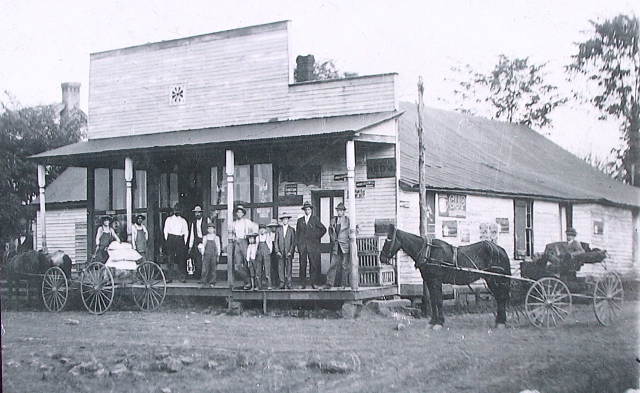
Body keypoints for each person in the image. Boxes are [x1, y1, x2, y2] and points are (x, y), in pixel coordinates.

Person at [295, 201, 326, 289]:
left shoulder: (315, 219)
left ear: (311, 210)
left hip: (312, 246)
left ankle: (313, 283)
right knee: (302, 265)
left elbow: (323, 229)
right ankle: (302, 283)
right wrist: (297, 245)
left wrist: (316, 237)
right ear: (304, 210)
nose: (307, 211)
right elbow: (297, 233)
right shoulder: (300, 221)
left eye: (308, 209)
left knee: (313, 265)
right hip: (303, 247)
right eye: (306, 209)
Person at [231, 205, 258, 290]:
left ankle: (252, 283)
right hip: (237, 243)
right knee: (237, 266)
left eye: (241, 212)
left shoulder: (247, 222)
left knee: (248, 263)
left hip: (244, 242)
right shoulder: (234, 223)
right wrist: (234, 238)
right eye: (238, 212)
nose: (239, 213)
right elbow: (230, 233)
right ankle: (247, 281)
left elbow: (256, 227)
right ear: (236, 213)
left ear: (243, 214)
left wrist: (251, 236)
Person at [324, 202, 350, 289]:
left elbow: (353, 231)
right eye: (338, 210)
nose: (339, 212)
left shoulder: (347, 220)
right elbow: (330, 230)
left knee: (344, 265)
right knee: (333, 264)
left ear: (344, 212)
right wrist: (332, 238)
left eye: (340, 211)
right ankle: (329, 284)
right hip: (336, 246)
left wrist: (348, 240)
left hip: (345, 246)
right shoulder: (333, 220)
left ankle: (344, 284)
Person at [164, 204, 189, 283]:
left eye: (178, 210)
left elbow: (186, 232)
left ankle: (182, 277)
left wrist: (183, 241)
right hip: (171, 238)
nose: (177, 211)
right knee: (170, 259)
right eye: (175, 210)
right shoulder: (169, 219)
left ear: (180, 211)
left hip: (179, 239)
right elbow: (166, 230)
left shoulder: (183, 220)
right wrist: (168, 240)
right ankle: (169, 277)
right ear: (173, 210)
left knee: (181, 259)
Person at [188, 206, 210, 282]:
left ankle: (207, 277)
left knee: (206, 259)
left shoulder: (206, 220)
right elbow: (192, 234)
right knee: (198, 260)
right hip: (197, 241)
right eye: (196, 213)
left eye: (198, 212)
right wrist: (190, 246)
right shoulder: (194, 222)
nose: (197, 214)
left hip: (206, 240)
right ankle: (200, 276)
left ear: (201, 213)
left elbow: (211, 231)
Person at [274, 213, 296, 289]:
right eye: (283, 219)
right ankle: (282, 283)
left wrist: (290, 251)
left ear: (288, 220)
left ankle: (289, 283)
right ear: (282, 220)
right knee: (280, 267)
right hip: (280, 251)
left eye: (286, 219)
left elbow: (293, 242)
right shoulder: (278, 230)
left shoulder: (291, 230)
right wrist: (277, 251)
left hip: (288, 252)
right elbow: (276, 241)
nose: (285, 220)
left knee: (289, 267)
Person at [199, 222, 221, 288]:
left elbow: (218, 246)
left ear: (214, 229)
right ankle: (203, 281)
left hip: (214, 255)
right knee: (205, 269)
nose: (210, 230)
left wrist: (218, 255)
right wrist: (202, 254)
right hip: (206, 254)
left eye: (212, 228)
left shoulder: (216, 238)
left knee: (213, 269)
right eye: (209, 228)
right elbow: (203, 246)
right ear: (207, 230)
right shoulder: (205, 237)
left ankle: (212, 282)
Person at [255, 223, 274, 290]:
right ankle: (258, 285)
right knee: (258, 270)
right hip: (259, 253)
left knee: (267, 269)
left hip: (266, 253)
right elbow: (256, 246)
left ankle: (269, 285)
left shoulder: (268, 236)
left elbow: (270, 246)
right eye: (261, 229)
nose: (262, 231)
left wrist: (268, 252)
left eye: (263, 229)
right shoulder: (257, 238)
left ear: (265, 230)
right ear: (259, 230)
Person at [266, 219, 280, 288]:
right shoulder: (268, 235)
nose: (273, 228)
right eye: (272, 227)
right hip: (270, 252)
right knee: (271, 268)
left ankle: (278, 283)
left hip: (277, 252)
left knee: (277, 268)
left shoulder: (279, 234)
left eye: (275, 227)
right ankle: (271, 283)